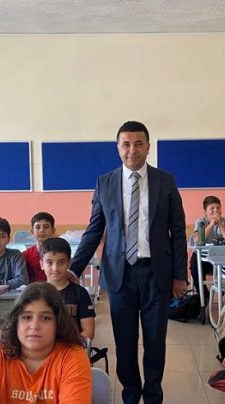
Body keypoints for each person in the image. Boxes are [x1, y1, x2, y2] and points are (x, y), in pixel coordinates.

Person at [70, 121, 188, 404]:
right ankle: (130, 395)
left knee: (155, 340)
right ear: (118, 148)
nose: (132, 150)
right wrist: (74, 269)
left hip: (156, 274)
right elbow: (95, 230)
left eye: (138, 144)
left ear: (148, 147)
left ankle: (153, 395)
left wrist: (180, 275)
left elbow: (178, 231)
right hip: (119, 275)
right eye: (126, 144)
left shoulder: (165, 181)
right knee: (124, 342)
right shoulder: (105, 183)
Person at [0, 282, 92, 403]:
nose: (34, 326)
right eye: (27, 317)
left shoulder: (73, 357)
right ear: (16, 322)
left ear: (58, 323)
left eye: (45, 318)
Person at [41, 237, 95, 340]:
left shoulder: (80, 293)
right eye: (49, 262)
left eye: (61, 262)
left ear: (69, 263)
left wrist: (69, 347)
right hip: (43, 348)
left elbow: (88, 331)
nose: (55, 268)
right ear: (42, 264)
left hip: (72, 347)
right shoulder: (36, 294)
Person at [189, 195, 225, 304]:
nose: (215, 211)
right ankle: (204, 296)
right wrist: (212, 224)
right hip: (203, 260)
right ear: (205, 212)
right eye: (212, 209)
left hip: (220, 260)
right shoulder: (201, 221)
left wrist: (219, 224)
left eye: (218, 208)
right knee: (194, 265)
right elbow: (197, 240)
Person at [22, 211, 56, 283]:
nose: (42, 230)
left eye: (46, 227)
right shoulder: (25, 255)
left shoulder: (60, 253)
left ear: (53, 230)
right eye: (38, 227)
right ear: (32, 231)